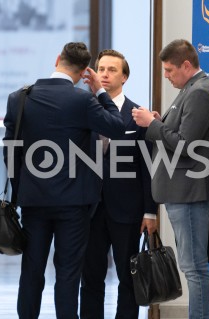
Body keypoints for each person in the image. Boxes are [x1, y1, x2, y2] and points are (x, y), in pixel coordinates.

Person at [3, 42, 125, 319]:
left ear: (57, 59)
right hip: (75, 203)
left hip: (33, 201)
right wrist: (101, 91)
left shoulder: (19, 98)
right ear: (85, 71)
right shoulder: (83, 100)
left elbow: (10, 151)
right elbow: (117, 127)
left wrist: (22, 189)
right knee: (68, 274)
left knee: (31, 272)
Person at [132, 39, 209, 319]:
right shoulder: (191, 89)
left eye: (170, 70)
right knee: (192, 266)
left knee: (194, 268)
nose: (167, 76)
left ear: (186, 65)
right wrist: (160, 123)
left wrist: (153, 124)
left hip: (190, 192)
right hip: (184, 192)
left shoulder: (199, 92)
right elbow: (180, 133)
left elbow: (185, 146)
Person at [79, 49, 158, 319]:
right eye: (101, 68)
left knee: (128, 278)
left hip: (127, 210)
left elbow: (149, 167)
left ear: (124, 77)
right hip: (89, 209)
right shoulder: (83, 110)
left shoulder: (138, 116)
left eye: (112, 70)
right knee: (90, 278)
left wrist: (150, 211)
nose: (104, 74)